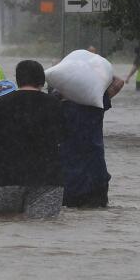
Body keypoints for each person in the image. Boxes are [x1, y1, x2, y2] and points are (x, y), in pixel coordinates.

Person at [0, 60, 67, 219]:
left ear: (17, 80)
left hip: (6, 177)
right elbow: (65, 136)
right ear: (42, 81)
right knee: (42, 230)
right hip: (47, 178)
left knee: (4, 230)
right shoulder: (54, 105)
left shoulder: (2, 104)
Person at [58, 75, 126, 208]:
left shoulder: (57, 105)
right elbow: (119, 82)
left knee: (68, 219)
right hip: (96, 175)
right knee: (97, 218)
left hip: (68, 178)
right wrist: (95, 70)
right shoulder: (96, 104)